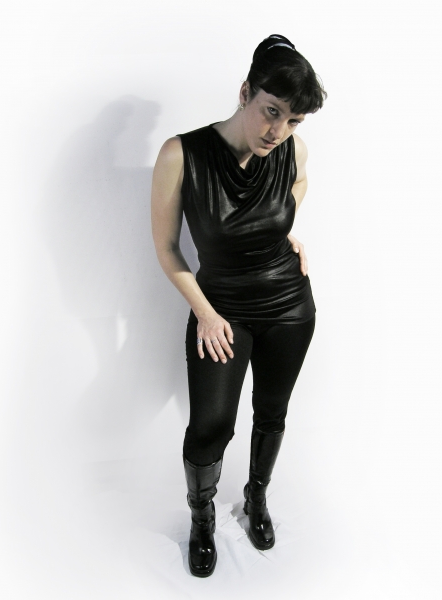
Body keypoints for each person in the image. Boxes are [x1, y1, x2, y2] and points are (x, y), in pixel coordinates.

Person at [151, 34, 326, 577]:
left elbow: (298, 183)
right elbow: (167, 248)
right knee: (210, 426)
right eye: (272, 111)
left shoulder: (292, 150)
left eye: (293, 120)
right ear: (246, 91)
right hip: (220, 307)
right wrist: (205, 312)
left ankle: (256, 498)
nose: (279, 131)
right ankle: (202, 517)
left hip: (289, 303)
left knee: (272, 411)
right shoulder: (182, 154)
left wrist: (282, 231)